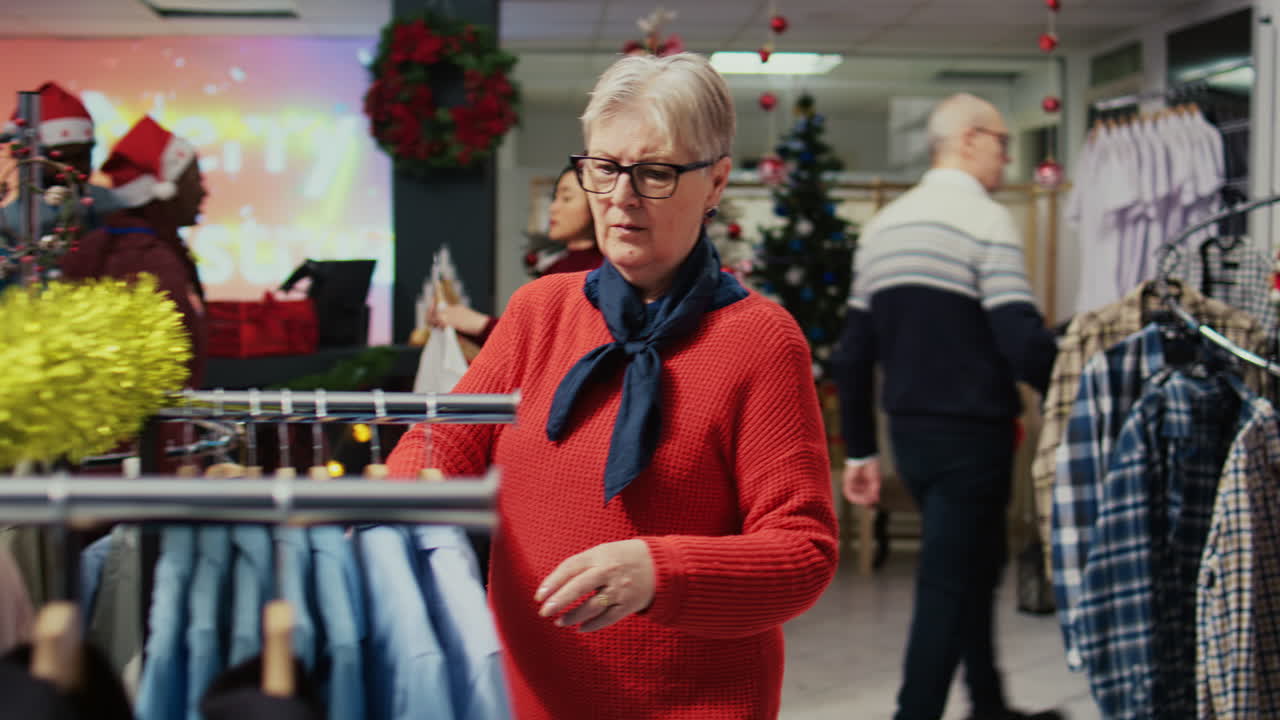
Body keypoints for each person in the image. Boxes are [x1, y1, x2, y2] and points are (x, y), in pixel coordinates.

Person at [387, 52, 838, 719]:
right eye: (602, 168)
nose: (620, 198)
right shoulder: (541, 311)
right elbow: (439, 445)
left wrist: (663, 573)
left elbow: (803, 552)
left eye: (654, 173)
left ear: (715, 183)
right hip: (524, 698)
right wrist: (387, 509)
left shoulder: (760, 342)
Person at [833, 93, 1060, 720]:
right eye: (1002, 143)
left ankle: (988, 702)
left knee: (973, 566)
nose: (1007, 157)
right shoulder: (985, 221)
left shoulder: (883, 227)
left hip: (912, 435)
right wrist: (1071, 379)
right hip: (973, 437)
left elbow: (852, 355)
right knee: (947, 582)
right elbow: (1020, 342)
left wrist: (861, 449)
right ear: (967, 140)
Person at [59, 115, 208, 389]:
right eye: (196, 180)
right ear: (166, 192)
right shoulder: (150, 262)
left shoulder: (101, 245)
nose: (203, 192)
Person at [430, 164, 602, 346]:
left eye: (566, 198)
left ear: (598, 204)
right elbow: (527, 338)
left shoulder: (602, 273)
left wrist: (477, 323)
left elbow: (550, 344)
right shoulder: (555, 268)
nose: (553, 208)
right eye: (554, 198)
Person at [0, 82, 124, 241]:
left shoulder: (111, 205)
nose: (70, 168)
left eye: (80, 157)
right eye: (59, 159)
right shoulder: (9, 225)